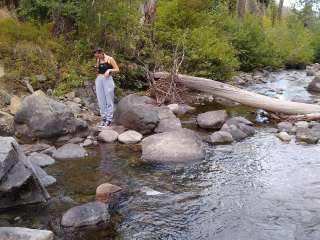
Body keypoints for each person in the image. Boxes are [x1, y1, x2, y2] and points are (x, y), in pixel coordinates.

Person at [94, 47, 120, 128]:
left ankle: (109, 119)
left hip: (108, 79)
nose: (97, 57)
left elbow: (117, 69)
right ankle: (103, 118)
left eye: (98, 55)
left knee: (109, 99)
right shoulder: (98, 59)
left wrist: (109, 70)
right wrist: (97, 71)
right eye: (96, 56)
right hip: (99, 79)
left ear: (102, 53)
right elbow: (98, 69)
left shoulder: (110, 59)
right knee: (101, 99)